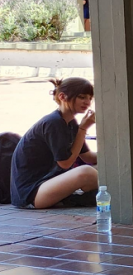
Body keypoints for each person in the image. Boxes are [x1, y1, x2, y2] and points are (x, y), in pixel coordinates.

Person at [10, 78, 98, 209]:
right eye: (82, 97)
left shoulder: (71, 123)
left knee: (98, 170)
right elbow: (65, 163)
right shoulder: (54, 122)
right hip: (32, 194)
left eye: (90, 98)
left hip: (48, 185)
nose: (87, 102)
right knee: (86, 172)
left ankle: (76, 199)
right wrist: (83, 129)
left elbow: (88, 157)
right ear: (62, 96)